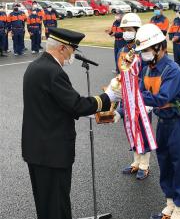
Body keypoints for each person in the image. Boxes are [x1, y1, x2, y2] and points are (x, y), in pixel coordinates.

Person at [22, 27, 121, 219]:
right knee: (57, 207)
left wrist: (88, 111)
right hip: (52, 153)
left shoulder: (36, 67)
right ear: (62, 48)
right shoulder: (53, 72)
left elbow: (56, 104)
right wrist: (107, 98)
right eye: (73, 49)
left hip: (37, 150)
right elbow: (76, 104)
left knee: (46, 204)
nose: (73, 54)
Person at [135, 23, 180, 219]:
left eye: (146, 50)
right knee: (165, 166)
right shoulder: (147, 69)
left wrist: (135, 95)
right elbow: (138, 93)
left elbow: (162, 98)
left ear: (160, 47)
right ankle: (169, 204)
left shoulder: (173, 70)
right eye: (142, 51)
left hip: (179, 125)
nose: (143, 54)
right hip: (163, 125)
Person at [113, 13, 151, 180]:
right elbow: (120, 72)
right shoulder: (122, 50)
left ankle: (145, 164)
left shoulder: (143, 51)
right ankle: (136, 162)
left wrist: (144, 97)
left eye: (129, 29)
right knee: (131, 129)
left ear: (137, 30)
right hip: (126, 96)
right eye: (124, 30)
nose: (126, 32)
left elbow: (147, 75)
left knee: (142, 129)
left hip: (140, 97)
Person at [106, 9, 127, 74]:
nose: (116, 15)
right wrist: (109, 32)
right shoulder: (115, 22)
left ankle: (123, 70)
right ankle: (117, 70)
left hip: (123, 42)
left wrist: (115, 34)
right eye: (116, 14)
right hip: (116, 42)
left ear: (122, 15)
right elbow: (113, 32)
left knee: (122, 56)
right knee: (116, 56)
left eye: (118, 14)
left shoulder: (124, 23)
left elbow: (125, 34)